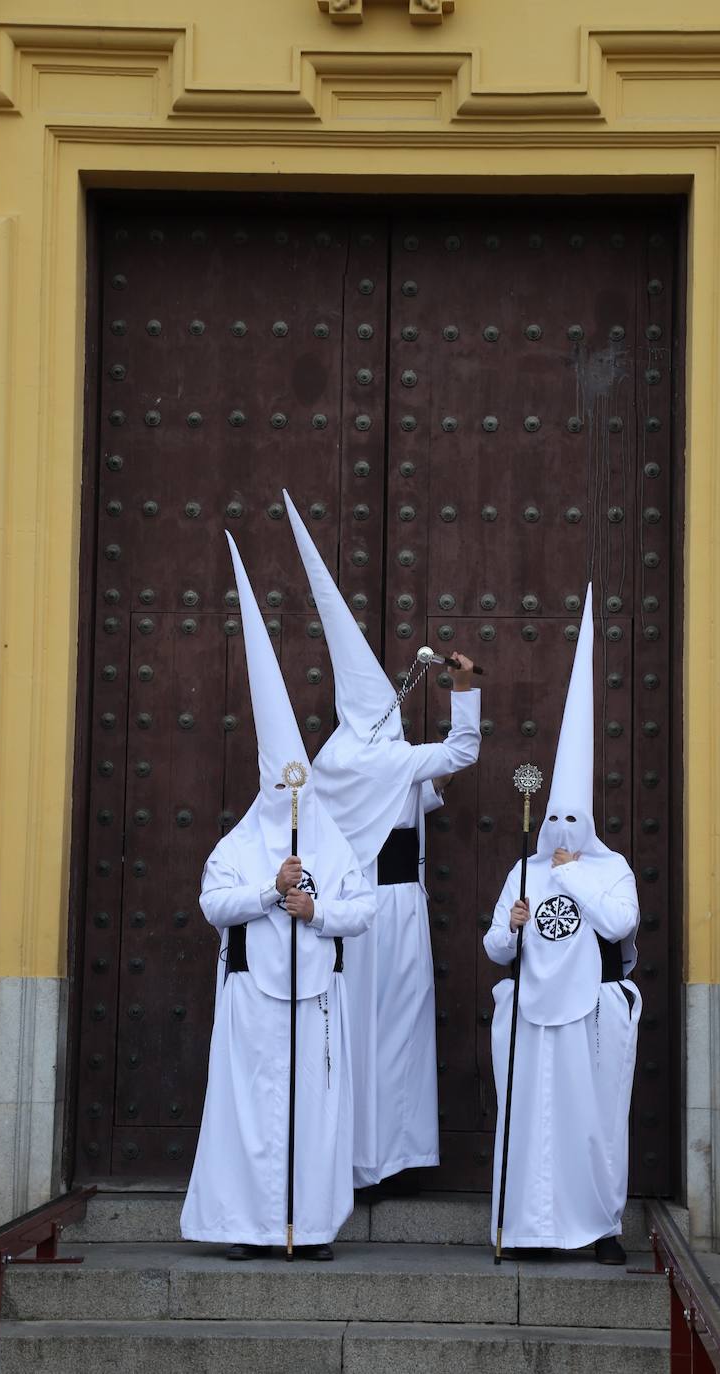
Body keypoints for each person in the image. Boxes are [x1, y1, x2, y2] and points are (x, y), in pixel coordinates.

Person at [180, 533, 375, 1261]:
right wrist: (270, 891)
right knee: (249, 1111)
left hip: (318, 997)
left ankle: (310, 1227)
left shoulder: (334, 843)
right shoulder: (237, 845)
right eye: (278, 788)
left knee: (313, 1113)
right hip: (251, 998)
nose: (290, 801)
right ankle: (247, 1227)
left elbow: (363, 910)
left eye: (300, 787)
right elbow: (212, 905)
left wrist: (315, 911)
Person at [284, 490, 482, 1190]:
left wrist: (425, 780)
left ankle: (352, 1155)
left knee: (355, 1031)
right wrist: (462, 687)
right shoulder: (389, 756)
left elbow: (419, 797)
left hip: (346, 909)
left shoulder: (333, 760)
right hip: (391, 909)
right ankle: (385, 1158)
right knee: (396, 1032)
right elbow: (459, 754)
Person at [484, 586, 641, 1264]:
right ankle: (529, 1228)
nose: (564, 833)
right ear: (543, 822)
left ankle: (599, 1227)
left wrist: (575, 873)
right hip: (532, 1012)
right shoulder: (523, 874)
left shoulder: (609, 869)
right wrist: (515, 925)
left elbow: (621, 923)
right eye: (556, 823)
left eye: (575, 823)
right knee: (531, 1121)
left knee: (591, 1124)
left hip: (593, 1016)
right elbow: (494, 948)